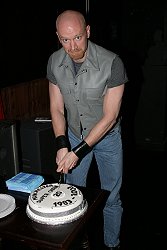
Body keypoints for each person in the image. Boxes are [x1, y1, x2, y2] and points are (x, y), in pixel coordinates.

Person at [47, 10, 128, 250]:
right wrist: (63, 144)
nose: (72, 46)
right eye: (65, 40)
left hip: (107, 138)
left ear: (88, 32)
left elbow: (110, 116)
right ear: (58, 37)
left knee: (111, 197)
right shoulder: (54, 61)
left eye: (78, 38)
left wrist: (77, 152)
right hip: (73, 134)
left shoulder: (112, 63)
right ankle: (79, 241)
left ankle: (112, 244)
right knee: (74, 194)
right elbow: (56, 108)